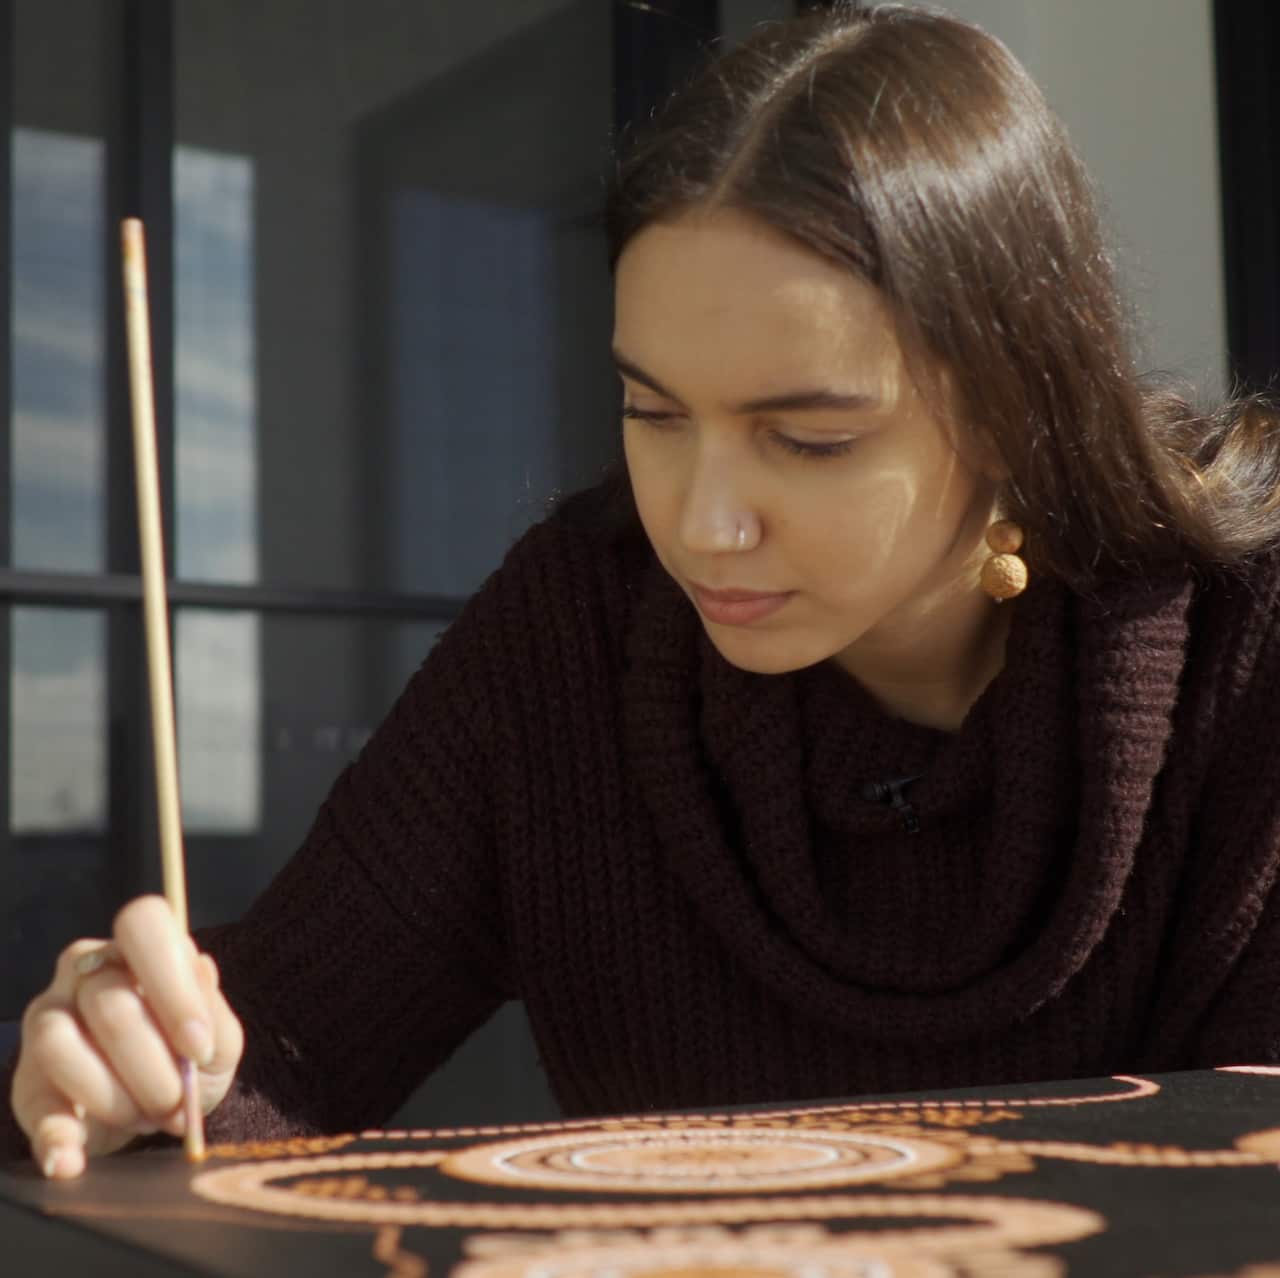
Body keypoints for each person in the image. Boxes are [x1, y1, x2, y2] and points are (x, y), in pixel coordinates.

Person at [6, 1, 1280, 1181]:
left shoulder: (1246, 642)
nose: (700, 524)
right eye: (651, 411)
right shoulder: (579, 627)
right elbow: (280, 1045)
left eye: (809, 437)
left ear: (1018, 410)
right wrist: (141, 1061)